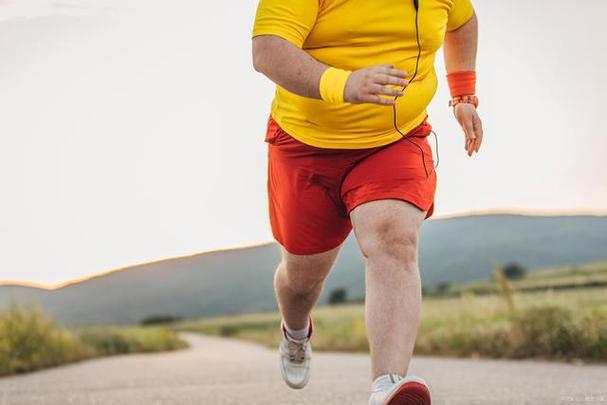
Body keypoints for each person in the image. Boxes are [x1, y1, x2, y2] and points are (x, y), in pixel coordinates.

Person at [251, 0, 482, 403]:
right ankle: (295, 328)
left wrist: (463, 94)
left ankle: (386, 386)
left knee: (395, 238)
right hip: (306, 145)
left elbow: (462, 24)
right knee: (302, 280)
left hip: (395, 137)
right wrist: (342, 83)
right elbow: (267, 48)